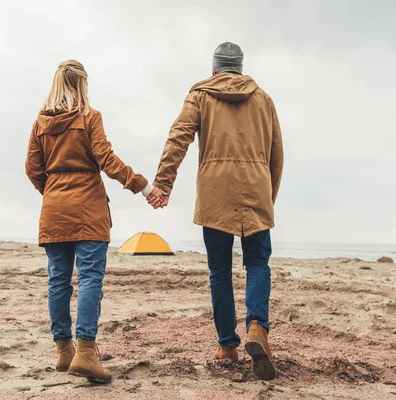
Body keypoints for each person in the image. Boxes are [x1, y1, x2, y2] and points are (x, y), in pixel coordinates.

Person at [149, 42, 284, 380]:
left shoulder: (200, 95)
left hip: (215, 192)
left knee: (220, 271)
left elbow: (178, 138)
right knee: (257, 263)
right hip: (256, 189)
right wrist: (269, 196)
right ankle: (258, 327)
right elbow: (276, 153)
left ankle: (227, 345)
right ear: (240, 66)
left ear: (215, 67)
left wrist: (163, 184)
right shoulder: (263, 99)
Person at [25, 60, 163, 383]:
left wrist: (53, 191)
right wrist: (143, 186)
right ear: (82, 85)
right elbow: (107, 160)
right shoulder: (89, 118)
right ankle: (86, 351)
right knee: (89, 278)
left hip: (54, 210)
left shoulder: (40, 124)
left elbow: (32, 169)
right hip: (88, 209)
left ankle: (63, 350)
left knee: (58, 281)